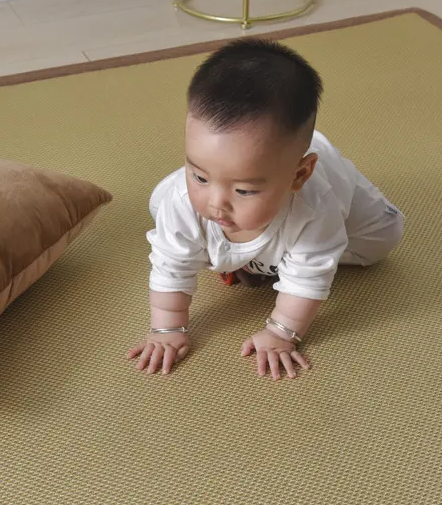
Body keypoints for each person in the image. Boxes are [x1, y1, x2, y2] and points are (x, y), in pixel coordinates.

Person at [128, 38, 404, 380]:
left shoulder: (316, 206)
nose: (216, 202)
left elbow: (309, 276)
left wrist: (281, 332)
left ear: (299, 175)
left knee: (382, 240)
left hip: (341, 207)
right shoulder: (185, 200)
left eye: (244, 189)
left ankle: (261, 244)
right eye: (199, 174)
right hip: (252, 188)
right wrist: (167, 329)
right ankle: (233, 199)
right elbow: (171, 265)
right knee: (165, 205)